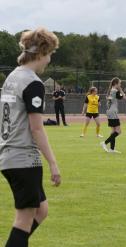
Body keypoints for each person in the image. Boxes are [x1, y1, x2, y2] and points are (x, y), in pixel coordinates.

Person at [0, 28, 61, 247]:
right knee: (24, 220)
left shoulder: (13, 76)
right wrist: (53, 163)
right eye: (50, 52)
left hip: (8, 155)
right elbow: (37, 129)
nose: (50, 58)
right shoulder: (33, 83)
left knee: (41, 210)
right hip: (23, 157)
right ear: (42, 52)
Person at [101, 77, 126, 153]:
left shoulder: (111, 91)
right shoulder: (115, 91)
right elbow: (124, 97)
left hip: (109, 112)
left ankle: (111, 149)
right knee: (119, 131)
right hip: (113, 112)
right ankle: (104, 143)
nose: (120, 84)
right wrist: (121, 90)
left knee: (113, 131)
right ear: (116, 84)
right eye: (120, 83)